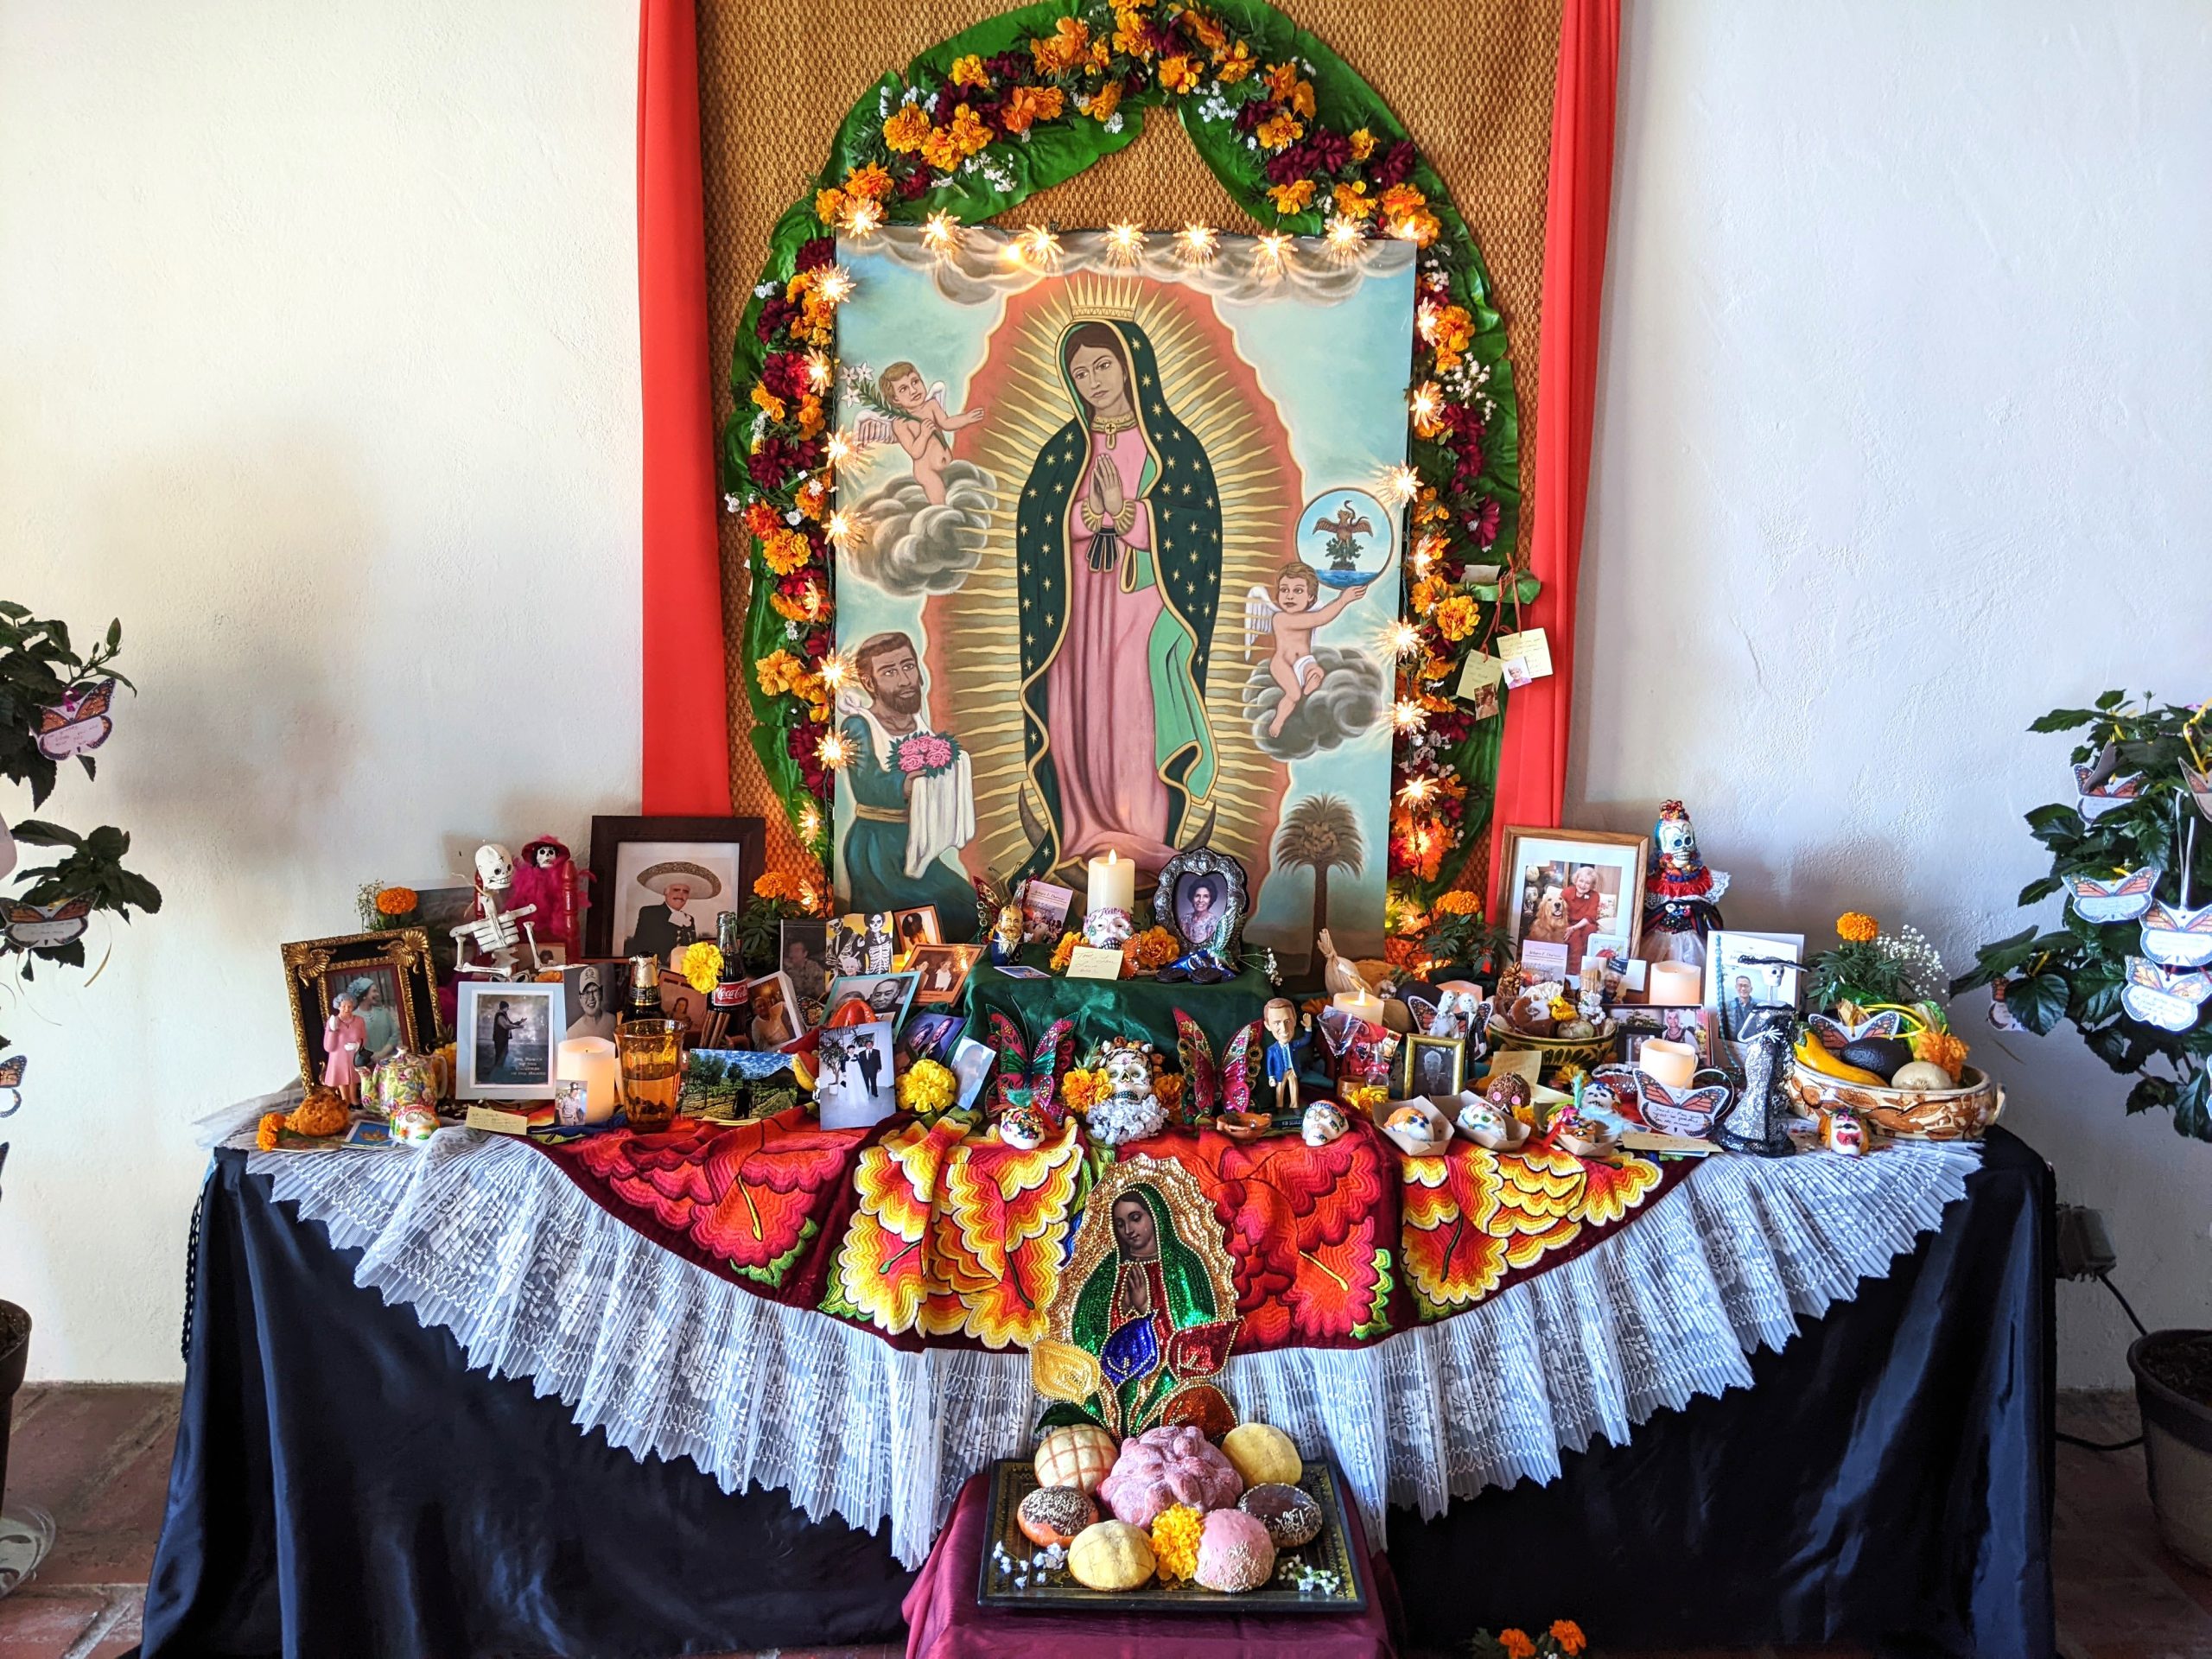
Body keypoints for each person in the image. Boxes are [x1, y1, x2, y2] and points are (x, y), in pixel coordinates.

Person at [1016, 319, 1224, 870]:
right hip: (1076, 610)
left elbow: (1196, 527)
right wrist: (1080, 518)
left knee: (1137, 710)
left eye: (1103, 365)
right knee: (1076, 712)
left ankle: (1145, 835)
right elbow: (1035, 526)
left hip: (1144, 604)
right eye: (1079, 372)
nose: (1092, 382)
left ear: (1134, 367)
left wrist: (1131, 515)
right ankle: (1082, 828)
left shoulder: (1175, 448)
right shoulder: (1065, 451)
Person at [836, 632, 979, 933]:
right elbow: (867, 784)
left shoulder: (918, 723)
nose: (904, 680)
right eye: (889, 672)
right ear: (869, 682)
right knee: (939, 915)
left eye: (908, 666)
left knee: (971, 906)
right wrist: (907, 784)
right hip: (877, 851)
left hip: (916, 846)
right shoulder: (858, 725)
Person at [1245, 560, 1384, 739]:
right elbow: (1319, 618)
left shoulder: (1309, 614)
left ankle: (1312, 680)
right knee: (1293, 694)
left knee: (1316, 670)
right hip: (1282, 662)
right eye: (1284, 590)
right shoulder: (1280, 618)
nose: (1289, 596)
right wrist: (1342, 600)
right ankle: (1279, 720)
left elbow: (1319, 617)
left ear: (1311, 597)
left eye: (1298, 591)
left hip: (1305, 661)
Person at [879, 360, 985, 506]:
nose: (913, 390)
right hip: (927, 472)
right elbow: (915, 452)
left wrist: (966, 419)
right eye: (903, 389)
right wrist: (923, 435)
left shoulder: (932, 405)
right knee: (941, 503)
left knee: (959, 495)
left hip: (948, 466)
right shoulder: (900, 423)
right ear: (895, 399)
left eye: (915, 382)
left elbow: (946, 423)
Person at [625, 862, 721, 962]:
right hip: (656, 970)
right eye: (676, 890)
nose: (681, 894)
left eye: (685, 891)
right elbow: (641, 946)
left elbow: (691, 947)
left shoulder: (689, 919)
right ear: (666, 892)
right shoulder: (649, 913)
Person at [1560, 864, 1606, 976]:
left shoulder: (1595, 896)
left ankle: (1587, 969)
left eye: (1587, 883)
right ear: (1576, 880)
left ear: (1592, 885)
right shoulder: (1567, 892)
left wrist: (1574, 928)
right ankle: (1574, 973)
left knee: (1590, 930)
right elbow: (1560, 912)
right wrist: (1570, 928)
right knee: (1574, 936)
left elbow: (1590, 917)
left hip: (1585, 924)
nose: (1583, 885)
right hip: (1568, 922)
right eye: (1581, 881)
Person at [322, 993, 366, 1104]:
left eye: (349, 1006)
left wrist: (358, 1044)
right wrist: (332, 1030)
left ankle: (353, 1098)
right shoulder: (333, 1021)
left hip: (354, 1055)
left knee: (354, 1077)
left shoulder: (359, 1020)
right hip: (339, 1056)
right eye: (344, 1006)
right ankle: (344, 1099)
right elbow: (328, 1047)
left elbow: (364, 1037)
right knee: (341, 1077)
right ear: (338, 1006)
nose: (347, 1009)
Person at [567, 965, 618, 1041]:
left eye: (595, 991)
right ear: (580, 998)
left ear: (601, 993)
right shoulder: (572, 1033)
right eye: (586, 992)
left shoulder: (613, 1021)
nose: (591, 997)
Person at [489, 1000, 518, 1079]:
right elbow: (506, 1026)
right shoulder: (500, 1016)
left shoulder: (504, 1014)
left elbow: (510, 1023)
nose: (508, 1009)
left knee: (503, 1053)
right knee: (500, 1054)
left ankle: (498, 1071)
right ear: (504, 1007)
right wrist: (518, 1026)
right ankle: (496, 1072)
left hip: (503, 1038)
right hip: (500, 1039)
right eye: (507, 1008)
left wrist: (519, 1022)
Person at [1726, 974, 1757, 1041]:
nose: (1743, 989)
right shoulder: (1727, 1006)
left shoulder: (1758, 1008)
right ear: (1736, 987)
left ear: (1751, 989)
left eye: (1746, 986)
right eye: (1740, 985)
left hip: (1750, 1042)